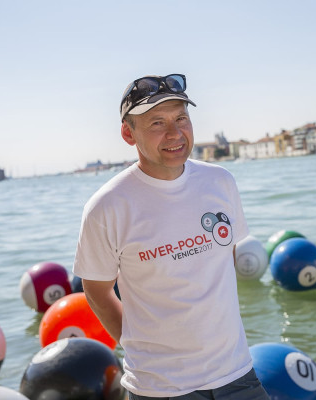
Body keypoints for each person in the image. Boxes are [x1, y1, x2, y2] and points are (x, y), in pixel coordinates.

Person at [73, 74, 269, 399]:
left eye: (181, 118)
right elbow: (96, 289)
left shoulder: (220, 182)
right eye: (157, 123)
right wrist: (138, 346)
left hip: (238, 375)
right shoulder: (107, 207)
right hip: (159, 388)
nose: (175, 133)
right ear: (128, 133)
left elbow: (225, 260)